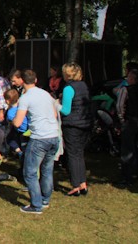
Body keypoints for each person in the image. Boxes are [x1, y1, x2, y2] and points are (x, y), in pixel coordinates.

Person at [13, 70, 60, 214]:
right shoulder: (46, 94)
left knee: (30, 172)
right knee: (47, 169)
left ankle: (36, 205)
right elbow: (54, 114)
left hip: (39, 137)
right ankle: (45, 199)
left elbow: (18, 122)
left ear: (22, 81)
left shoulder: (25, 98)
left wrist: (13, 118)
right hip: (54, 135)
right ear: (36, 80)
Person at [59, 63, 92, 196]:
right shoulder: (83, 85)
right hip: (84, 123)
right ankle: (82, 183)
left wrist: (56, 104)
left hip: (72, 124)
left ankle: (75, 185)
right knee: (79, 154)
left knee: (72, 155)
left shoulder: (68, 88)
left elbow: (66, 110)